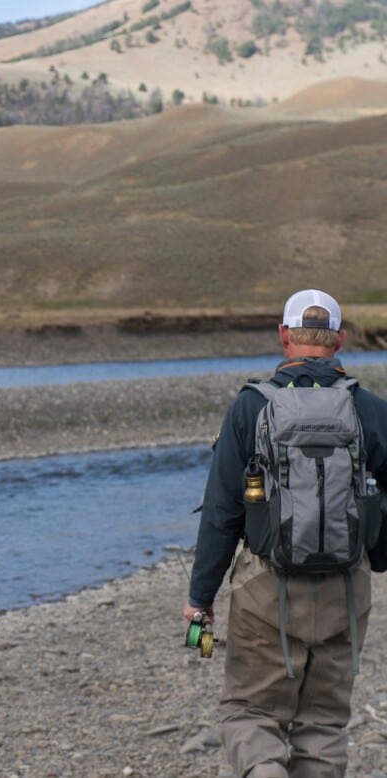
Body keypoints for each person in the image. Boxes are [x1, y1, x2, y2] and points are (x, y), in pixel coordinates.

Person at [183, 289, 387, 778]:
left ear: (284, 336)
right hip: (345, 586)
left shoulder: (250, 407)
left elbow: (221, 512)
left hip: (264, 589)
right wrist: (374, 559)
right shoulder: (372, 410)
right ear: (339, 340)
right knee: (322, 724)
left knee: (252, 714)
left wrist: (200, 597)